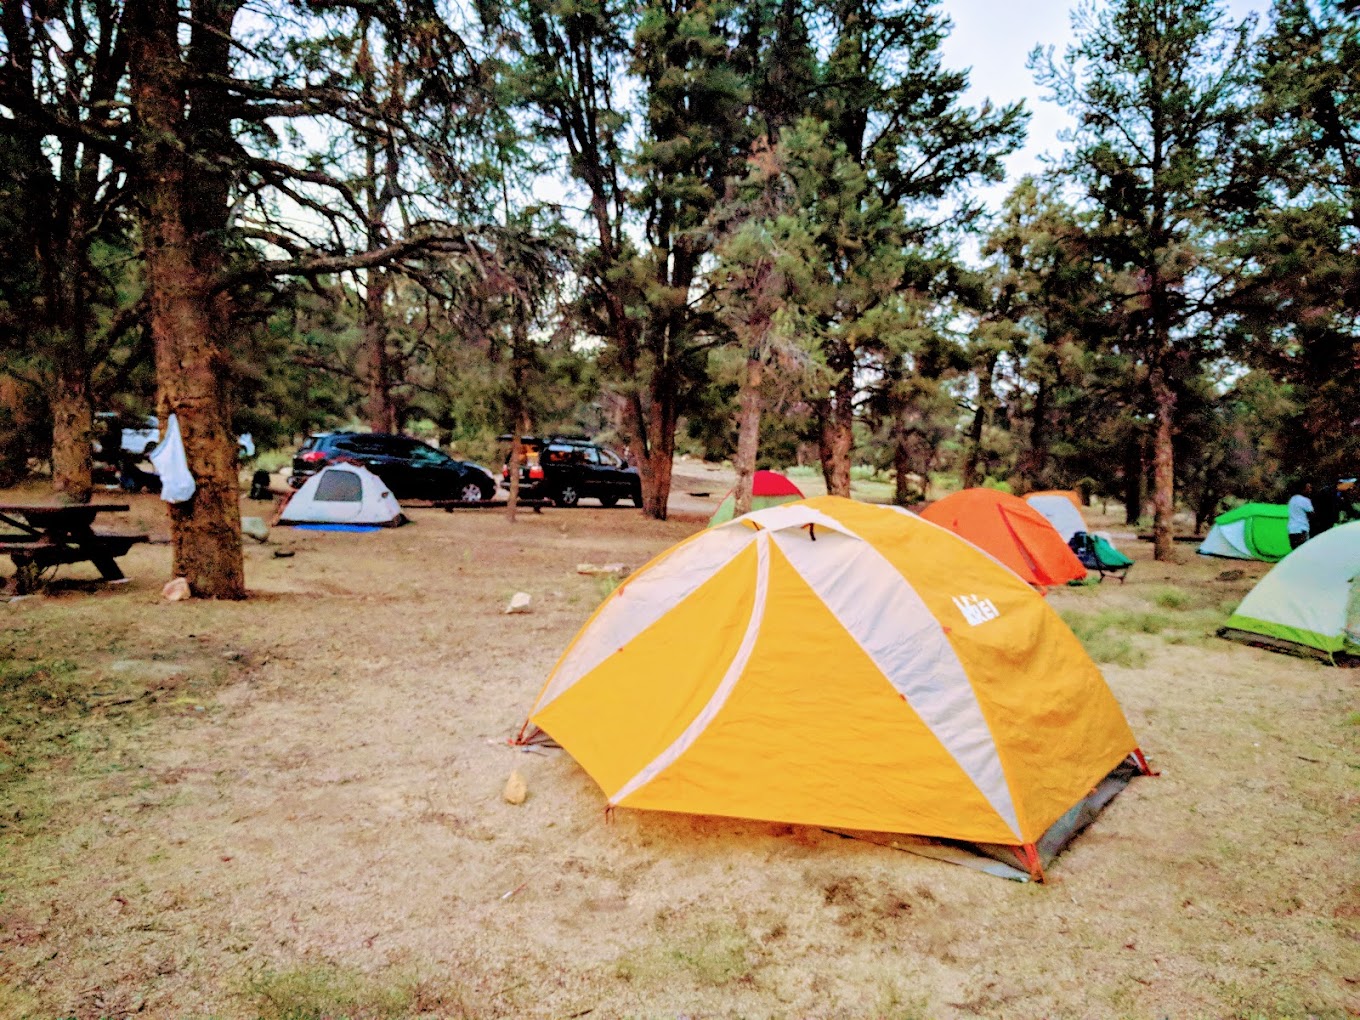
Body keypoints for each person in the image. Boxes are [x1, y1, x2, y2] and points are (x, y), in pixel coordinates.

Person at [1286, 482, 1314, 549]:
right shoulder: (1305, 500)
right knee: (1303, 551)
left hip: (1291, 530)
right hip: (1301, 529)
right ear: (1303, 489)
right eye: (1308, 488)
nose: (1310, 490)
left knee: (1295, 551)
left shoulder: (1292, 499)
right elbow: (1312, 514)